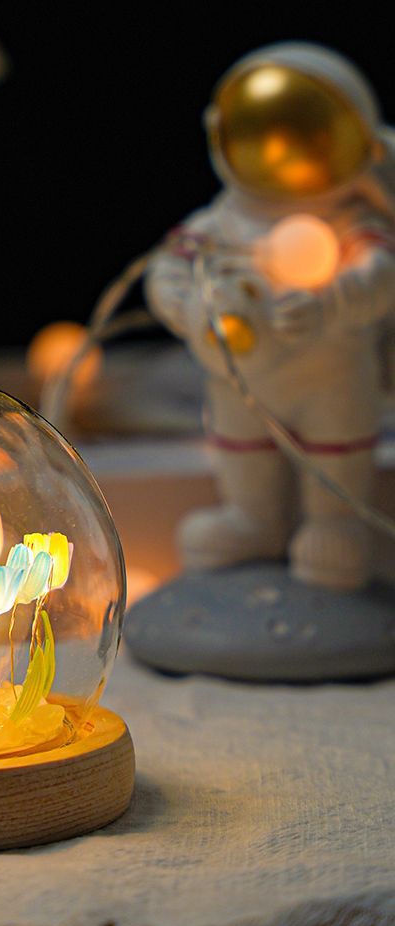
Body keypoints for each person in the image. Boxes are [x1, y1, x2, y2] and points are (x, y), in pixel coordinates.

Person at [146, 43, 395, 590]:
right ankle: (253, 520)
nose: (283, 150)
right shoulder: (221, 223)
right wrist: (187, 307)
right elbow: (167, 269)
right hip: (240, 377)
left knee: (336, 442)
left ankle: (335, 525)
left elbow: (381, 276)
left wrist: (329, 304)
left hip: (331, 376)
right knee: (242, 442)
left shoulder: (353, 222)